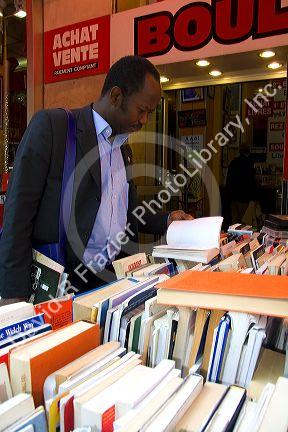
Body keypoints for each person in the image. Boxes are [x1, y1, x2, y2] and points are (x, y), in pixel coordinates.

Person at [0, 55, 192, 305]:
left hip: (110, 282)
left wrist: (166, 220)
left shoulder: (124, 149)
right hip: (62, 282)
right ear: (116, 96)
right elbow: (17, 216)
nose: (144, 120)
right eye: (142, 110)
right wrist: (13, 298)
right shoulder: (53, 128)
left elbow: (127, 214)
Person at [225, 142, 258, 225]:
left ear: (240, 151)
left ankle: (234, 236)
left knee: (235, 222)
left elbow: (228, 179)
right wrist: (253, 197)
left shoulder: (233, 162)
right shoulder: (249, 163)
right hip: (244, 197)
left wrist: (229, 194)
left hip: (233, 196)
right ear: (248, 151)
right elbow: (251, 181)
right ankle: (244, 237)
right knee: (245, 221)